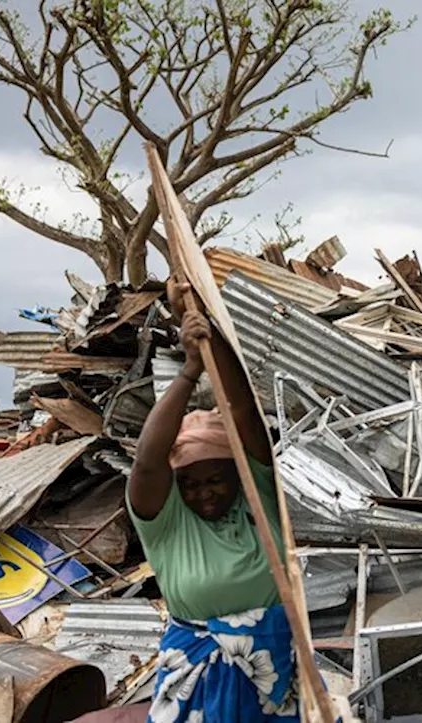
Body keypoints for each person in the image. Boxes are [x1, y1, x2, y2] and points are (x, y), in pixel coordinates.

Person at [128, 280, 301, 722]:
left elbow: (242, 412)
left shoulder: (259, 504)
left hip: (275, 672)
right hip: (195, 677)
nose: (202, 493)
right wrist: (188, 371)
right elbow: (148, 464)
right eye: (189, 483)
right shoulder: (169, 524)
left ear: (240, 476)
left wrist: (209, 332)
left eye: (215, 480)